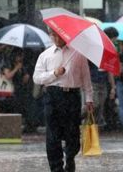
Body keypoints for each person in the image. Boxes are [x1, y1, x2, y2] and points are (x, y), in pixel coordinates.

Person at [33, 28, 93, 172]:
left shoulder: (78, 54)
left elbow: (86, 79)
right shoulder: (45, 55)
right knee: (53, 134)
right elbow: (37, 78)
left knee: (72, 132)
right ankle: (56, 167)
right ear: (50, 36)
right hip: (52, 96)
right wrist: (54, 74)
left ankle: (70, 157)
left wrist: (89, 99)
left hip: (72, 96)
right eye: (54, 35)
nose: (57, 38)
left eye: (59, 35)